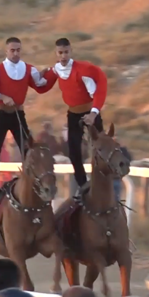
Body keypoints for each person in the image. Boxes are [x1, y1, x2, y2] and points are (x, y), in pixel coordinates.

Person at [0, 36, 51, 198]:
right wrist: (2, 96)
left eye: (18, 50)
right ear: (6, 51)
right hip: (0, 114)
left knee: (28, 150)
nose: (16, 53)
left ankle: (31, 183)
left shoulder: (28, 69)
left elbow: (39, 83)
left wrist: (47, 74)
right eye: (12, 50)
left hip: (18, 114)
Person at [39, 38, 109, 199]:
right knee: (73, 150)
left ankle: (104, 179)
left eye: (66, 52)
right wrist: (39, 75)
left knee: (101, 148)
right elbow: (42, 85)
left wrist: (93, 114)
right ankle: (83, 184)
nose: (63, 56)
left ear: (71, 51)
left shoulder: (82, 71)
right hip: (73, 114)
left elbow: (97, 93)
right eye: (60, 53)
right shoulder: (56, 70)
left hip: (91, 113)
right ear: (56, 53)